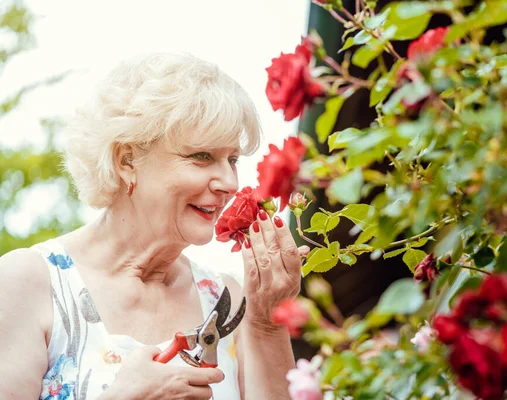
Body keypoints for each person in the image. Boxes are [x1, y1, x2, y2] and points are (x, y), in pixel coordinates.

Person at [0, 52, 309, 399]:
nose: (229, 181)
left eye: (232, 160)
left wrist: (267, 322)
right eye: (202, 156)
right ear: (127, 160)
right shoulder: (26, 283)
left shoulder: (230, 299)